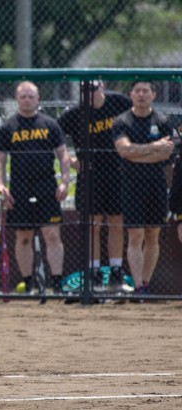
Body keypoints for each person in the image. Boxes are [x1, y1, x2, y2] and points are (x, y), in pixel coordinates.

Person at [0, 81, 71, 295]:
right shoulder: (8, 126)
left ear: (38, 99)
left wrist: (65, 182)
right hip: (19, 188)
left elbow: (63, 155)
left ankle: (57, 282)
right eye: (23, 96)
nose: (27, 100)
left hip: (47, 186)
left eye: (31, 96)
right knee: (24, 236)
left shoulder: (50, 124)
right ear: (17, 99)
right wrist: (1, 185)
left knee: (52, 235)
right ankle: (28, 283)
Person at [57, 80, 132, 292]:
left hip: (118, 174)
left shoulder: (120, 103)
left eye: (93, 88)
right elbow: (54, 136)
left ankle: (116, 272)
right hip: (90, 175)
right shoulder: (75, 114)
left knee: (117, 223)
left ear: (102, 87)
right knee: (93, 225)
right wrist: (72, 161)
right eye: (84, 90)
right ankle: (94, 273)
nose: (89, 93)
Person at [112, 80, 174, 301]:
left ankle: (146, 284)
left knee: (152, 234)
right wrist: (153, 148)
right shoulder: (122, 121)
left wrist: (140, 153)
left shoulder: (163, 120)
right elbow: (124, 151)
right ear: (130, 94)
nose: (141, 95)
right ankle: (137, 286)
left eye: (145, 91)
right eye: (137, 91)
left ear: (153, 95)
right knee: (135, 235)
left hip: (156, 184)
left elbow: (166, 154)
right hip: (131, 185)